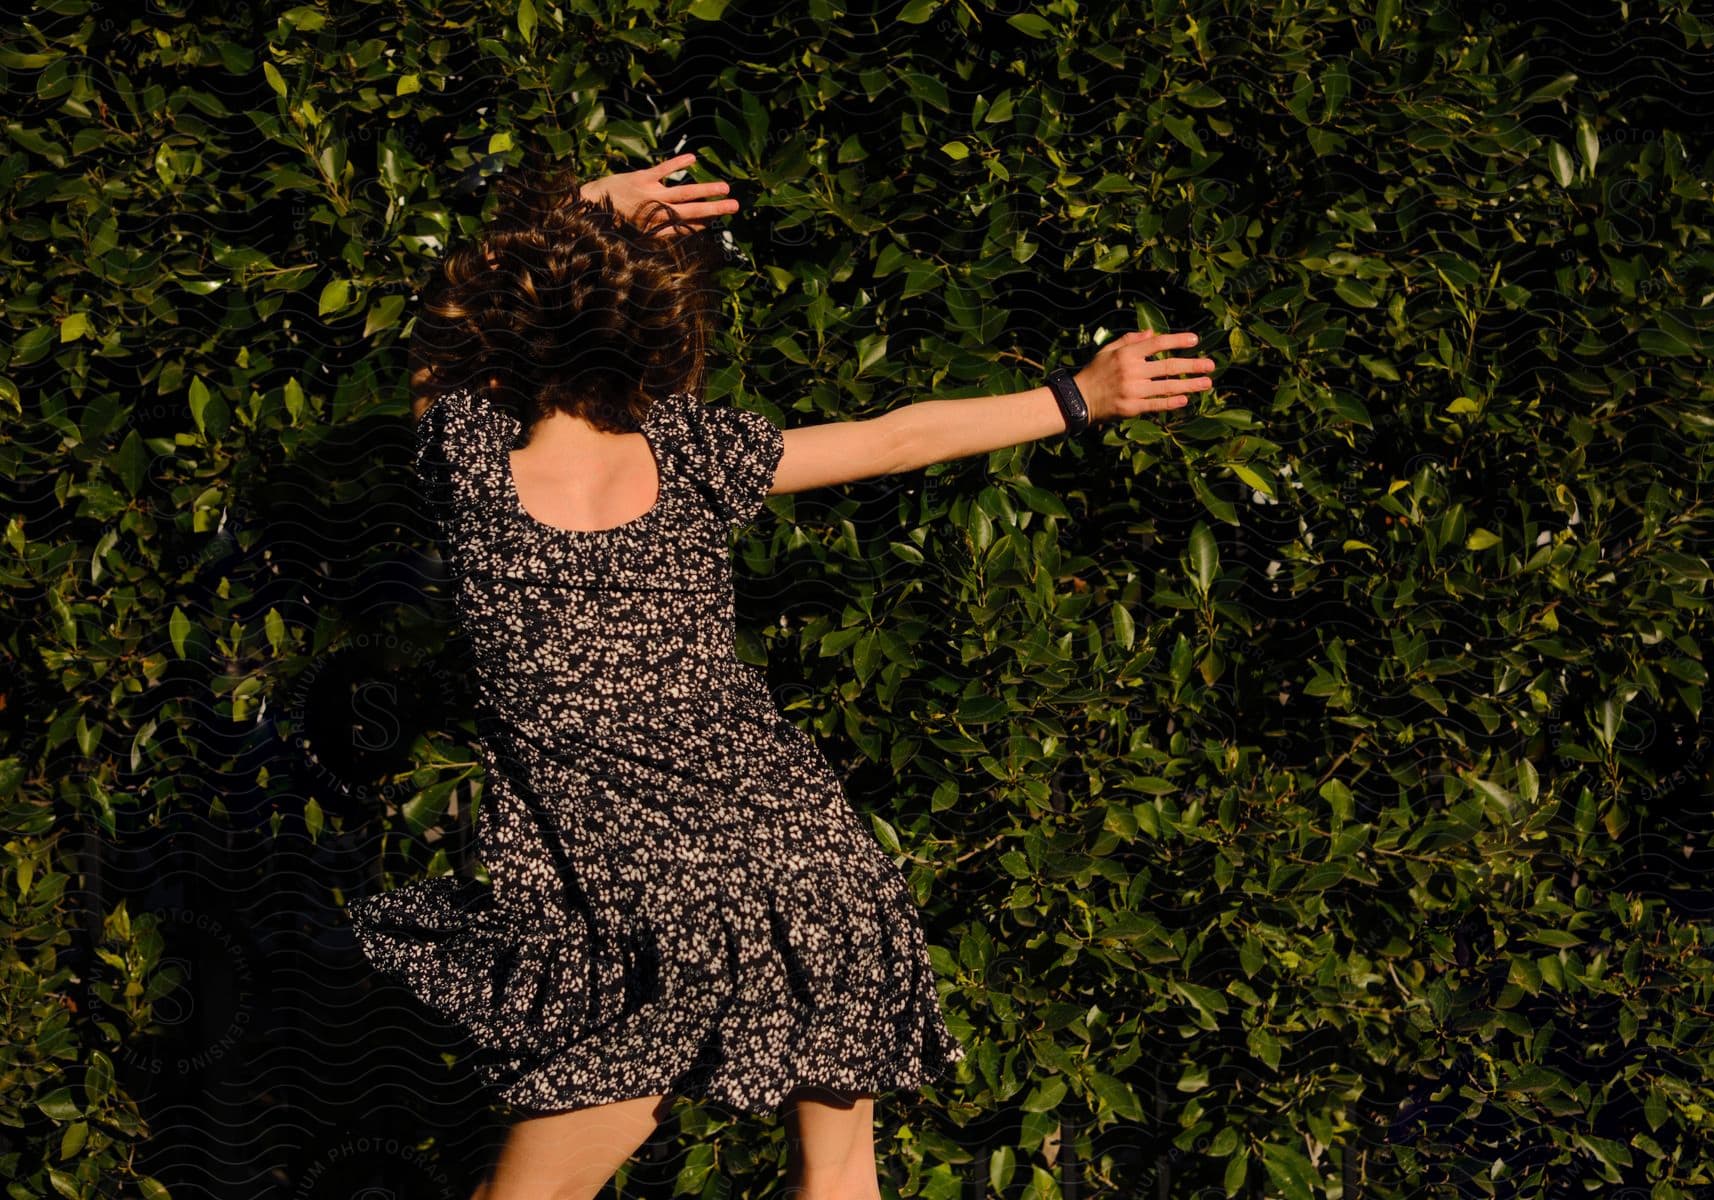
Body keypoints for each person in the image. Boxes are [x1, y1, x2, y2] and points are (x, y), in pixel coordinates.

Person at [345, 150, 1214, 1200]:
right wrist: (1077, 396)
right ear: (657, 340)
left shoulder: (471, 467)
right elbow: (898, 438)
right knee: (839, 1176)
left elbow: (443, 321)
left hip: (640, 903)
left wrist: (580, 214)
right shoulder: (693, 454)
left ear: (508, 331)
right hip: (803, 853)